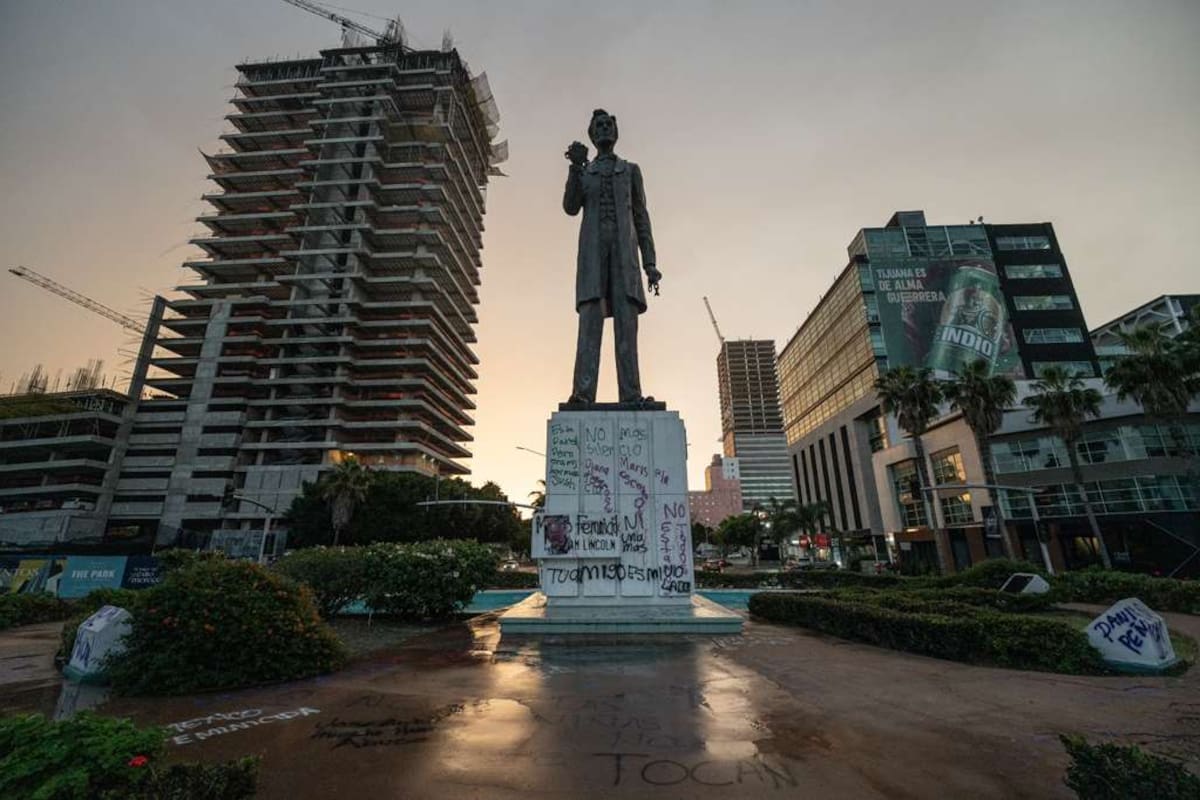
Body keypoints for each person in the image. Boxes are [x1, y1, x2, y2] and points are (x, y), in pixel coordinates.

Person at [563, 109, 661, 405]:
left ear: (615, 133)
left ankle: (631, 394)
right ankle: (582, 394)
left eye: (608, 125)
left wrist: (650, 263)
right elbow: (570, 207)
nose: (604, 128)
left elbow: (641, 217)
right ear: (592, 135)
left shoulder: (630, 171)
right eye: (599, 126)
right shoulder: (585, 171)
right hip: (593, 258)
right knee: (589, 323)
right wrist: (575, 168)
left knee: (626, 327)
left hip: (624, 257)